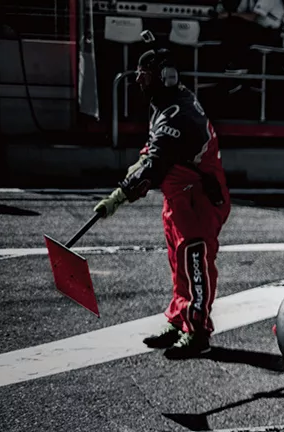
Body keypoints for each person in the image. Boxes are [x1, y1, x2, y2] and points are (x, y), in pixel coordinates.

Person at [94, 48, 230, 359]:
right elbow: (153, 150)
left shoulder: (178, 113)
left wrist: (117, 197)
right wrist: (136, 168)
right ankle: (179, 319)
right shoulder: (168, 101)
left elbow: (155, 163)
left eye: (145, 74)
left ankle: (197, 332)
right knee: (178, 262)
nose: (139, 80)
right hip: (179, 198)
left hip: (199, 200)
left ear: (163, 77)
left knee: (195, 262)